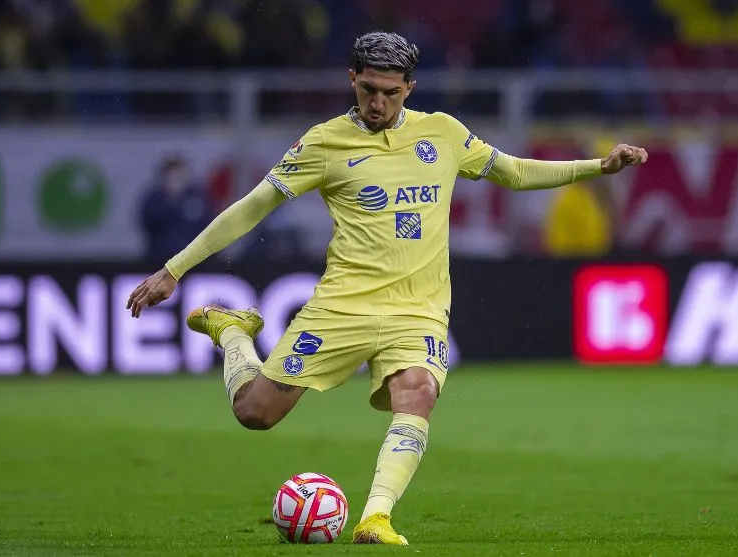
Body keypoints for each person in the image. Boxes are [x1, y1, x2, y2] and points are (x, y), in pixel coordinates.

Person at [126, 31, 648, 545]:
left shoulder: (442, 134)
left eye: (390, 93)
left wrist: (599, 167)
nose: (378, 103)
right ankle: (234, 333)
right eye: (367, 90)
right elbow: (252, 207)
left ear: (410, 87)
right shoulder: (323, 143)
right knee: (256, 414)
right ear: (352, 79)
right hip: (342, 306)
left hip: (417, 311)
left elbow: (513, 172)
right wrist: (174, 269)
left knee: (417, 394)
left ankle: (375, 518)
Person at [138, 154, 213, 264]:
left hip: (194, 260)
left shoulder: (198, 196)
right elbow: (149, 223)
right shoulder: (155, 198)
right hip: (160, 259)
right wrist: (171, 199)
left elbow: (208, 223)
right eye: (172, 174)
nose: (176, 178)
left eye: (180, 173)